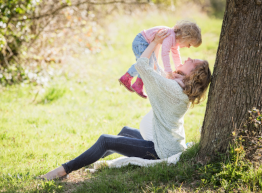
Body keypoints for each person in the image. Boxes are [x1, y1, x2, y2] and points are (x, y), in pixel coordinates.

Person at [38, 30, 211, 180]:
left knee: (106, 140)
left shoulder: (173, 89)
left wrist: (154, 42)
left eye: (193, 61)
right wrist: (158, 45)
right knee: (125, 132)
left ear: (193, 74)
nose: (188, 57)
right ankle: (85, 160)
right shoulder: (179, 88)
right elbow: (157, 70)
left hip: (161, 150)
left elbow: (142, 66)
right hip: (168, 143)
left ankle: (63, 170)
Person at [119, 20, 202, 99]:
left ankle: (136, 83)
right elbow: (164, 54)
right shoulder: (170, 36)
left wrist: (178, 67)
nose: (188, 47)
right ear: (185, 37)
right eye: (189, 44)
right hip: (141, 41)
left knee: (147, 64)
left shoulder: (175, 39)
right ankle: (131, 79)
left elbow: (176, 55)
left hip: (144, 42)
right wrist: (168, 71)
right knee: (145, 63)